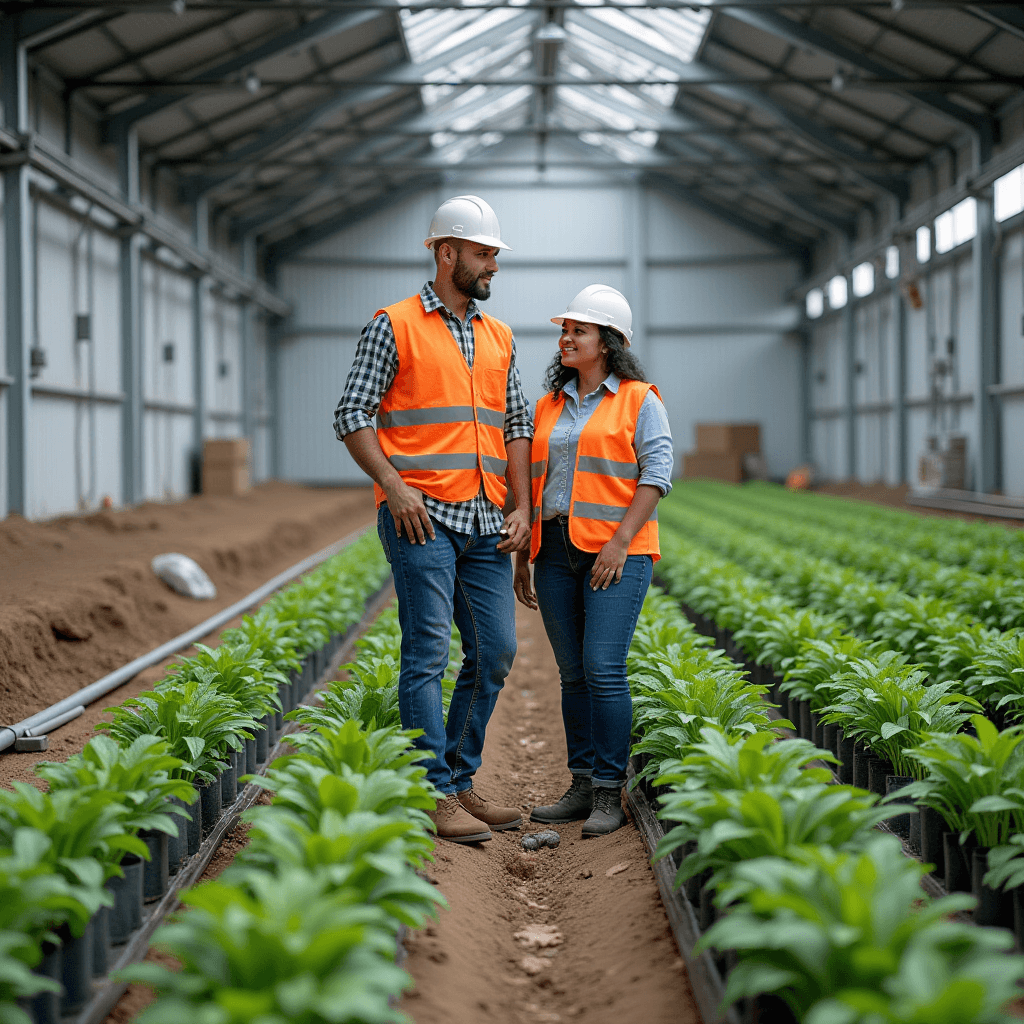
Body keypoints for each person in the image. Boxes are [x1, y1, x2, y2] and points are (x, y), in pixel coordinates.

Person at [334, 195, 533, 844]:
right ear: (445, 252)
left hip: (485, 519)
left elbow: (517, 426)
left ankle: (458, 777)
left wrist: (523, 503)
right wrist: (393, 487)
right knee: (427, 653)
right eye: (482, 254)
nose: (492, 267)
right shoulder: (392, 325)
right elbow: (352, 416)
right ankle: (432, 792)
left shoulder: (498, 335)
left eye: (495, 256)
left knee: (496, 651)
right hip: (421, 517)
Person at [513, 285, 673, 837]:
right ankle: (581, 785)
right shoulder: (548, 406)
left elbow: (657, 474)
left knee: (604, 670)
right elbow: (533, 483)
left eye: (578, 331)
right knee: (573, 675)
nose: (565, 339)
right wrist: (525, 553)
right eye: (565, 331)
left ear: (607, 342)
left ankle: (610, 789)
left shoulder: (638, 399)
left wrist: (621, 541)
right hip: (555, 550)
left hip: (616, 554)